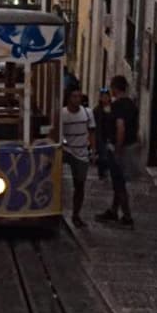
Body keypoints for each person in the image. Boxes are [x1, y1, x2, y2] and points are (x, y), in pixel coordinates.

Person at [96, 75, 138, 227]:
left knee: (119, 183)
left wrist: (117, 150)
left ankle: (127, 217)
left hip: (121, 148)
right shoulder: (131, 105)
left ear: (114, 88)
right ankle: (113, 211)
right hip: (130, 146)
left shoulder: (118, 106)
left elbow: (120, 128)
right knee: (117, 182)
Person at [61, 86, 96, 228]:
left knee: (80, 185)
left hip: (81, 152)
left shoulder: (87, 113)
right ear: (68, 98)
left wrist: (93, 150)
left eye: (79, 96)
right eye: (74, 96)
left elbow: (92, 131)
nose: (77, 99)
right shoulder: (62, 114)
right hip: (66, 149)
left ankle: (76, 215)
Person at [92, 89, 113, 180]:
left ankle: (108, 172)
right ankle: (102, 174)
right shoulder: (97, 110)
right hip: (101, 136)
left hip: (111, 136)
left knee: (110, 155)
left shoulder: (113, 108)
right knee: (102, 156)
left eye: (106, 97)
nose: (105, 99)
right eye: (103, 97)